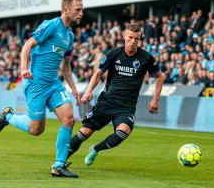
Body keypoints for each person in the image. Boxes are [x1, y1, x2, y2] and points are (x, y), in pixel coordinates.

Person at [0, 0, 83, 178]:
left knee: (69, 118)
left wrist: (74, 88)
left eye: (82, 9)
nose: (81, 13)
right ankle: (8, 116)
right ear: (66, 9)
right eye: (78, 9)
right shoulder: (51, 25)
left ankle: (58, 166)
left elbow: (65, 66)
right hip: (36, 83)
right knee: (37, 129)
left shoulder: (69, 35)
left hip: (54, 84)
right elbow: (27, 45)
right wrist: (24, 69)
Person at [67, 23, 164, 166]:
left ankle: (95, 149)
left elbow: (160, 76)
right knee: (85, 132)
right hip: (107, 102)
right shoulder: (113, 54)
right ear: (124, 36)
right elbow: (98, 73)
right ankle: (60, 160)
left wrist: (155, 99)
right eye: (130, 37)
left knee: (124, 131)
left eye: (136, 39)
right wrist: (89, 91)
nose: (133, 41)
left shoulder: (146, 58)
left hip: (126, 106)